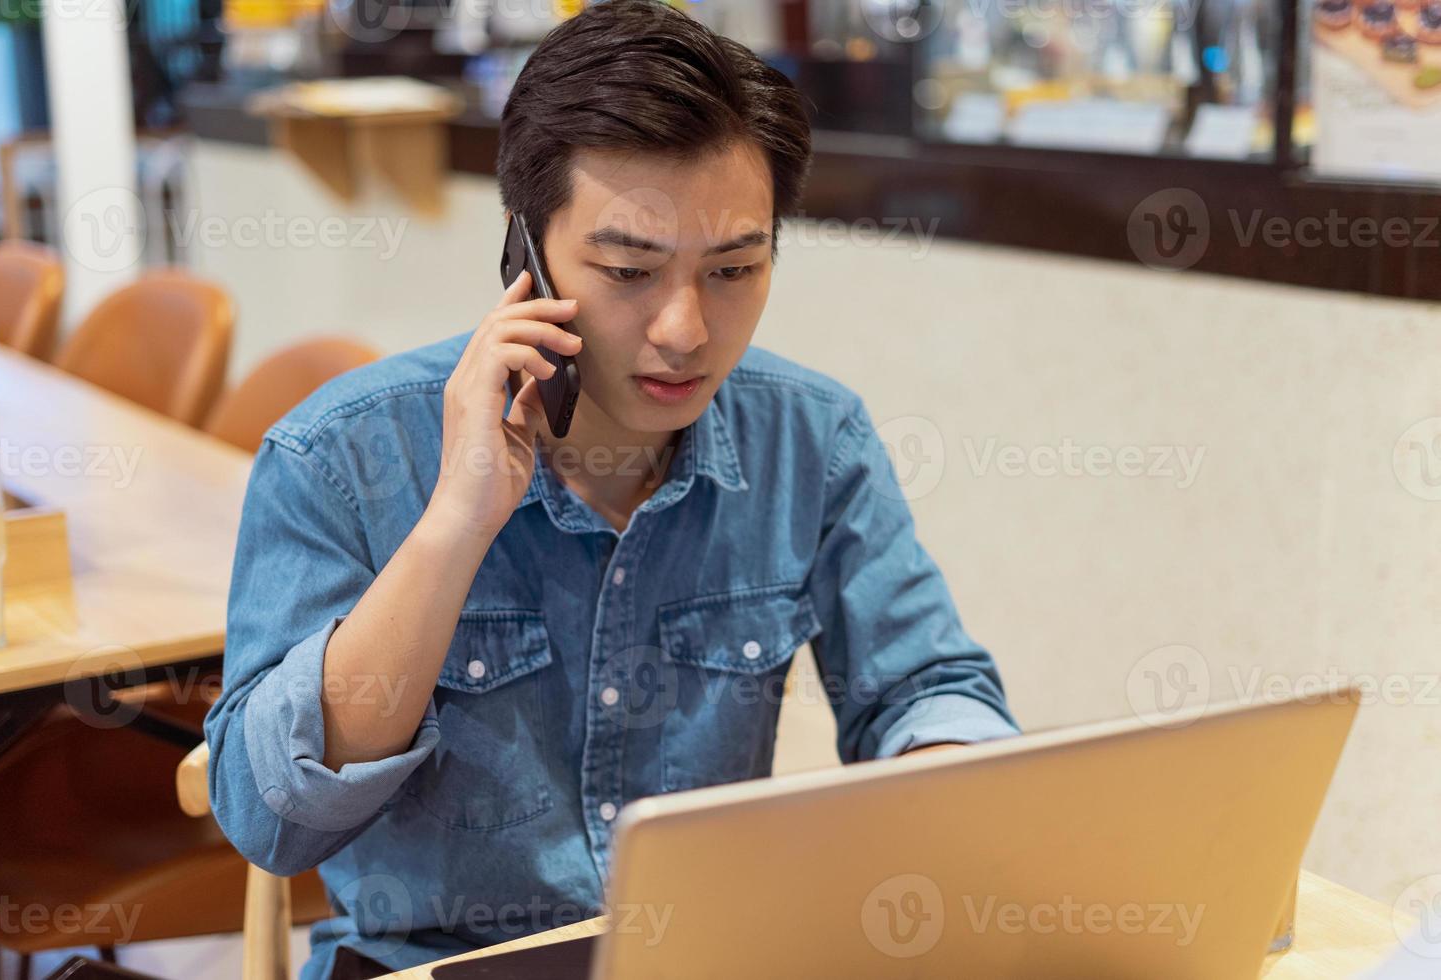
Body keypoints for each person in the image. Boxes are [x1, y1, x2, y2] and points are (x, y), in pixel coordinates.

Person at [205, 2, 1018, 977]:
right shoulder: (343, 452)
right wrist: (457, 523)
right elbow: (267, 819)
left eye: (734, 269)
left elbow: (927, 690)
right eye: (630, 270)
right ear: (526, 253)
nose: (685, 327)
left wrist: (961, 800)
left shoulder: (812, 441)